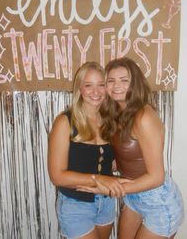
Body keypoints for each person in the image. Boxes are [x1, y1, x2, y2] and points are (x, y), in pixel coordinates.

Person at [78, 57, 184, 239]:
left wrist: (112, 189)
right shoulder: (116, 113)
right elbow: (121, 159)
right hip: (134, 197)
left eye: (124, 80)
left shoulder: (143, 116)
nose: (116, 85)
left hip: (157, 200)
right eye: (110, 81)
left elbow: (157, 177)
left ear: (134, 83)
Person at [48, 61, 128, 239]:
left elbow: (110, 164)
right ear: (79, 89)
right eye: (89, 85)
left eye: (101, 85)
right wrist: (100, 179)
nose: (96, 92)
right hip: (76, 205)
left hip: (106, 202)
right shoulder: (65, 122)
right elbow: (57, 176)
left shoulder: (111, 121)